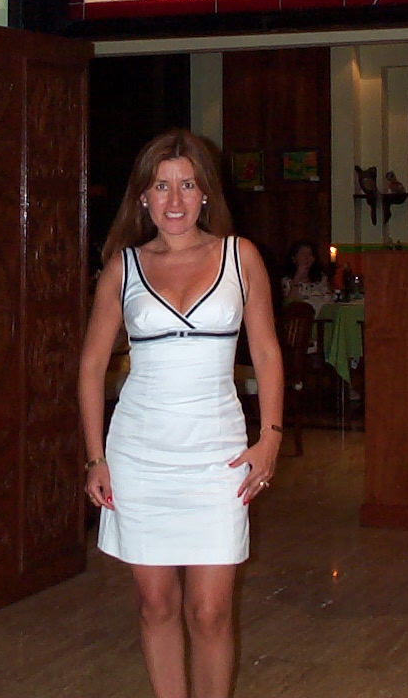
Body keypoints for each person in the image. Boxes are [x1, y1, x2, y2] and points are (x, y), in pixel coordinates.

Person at [79, 129, 285, 698]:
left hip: (217, 457)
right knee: (155, 604)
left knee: (211, 610)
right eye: (161, 186)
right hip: (140, 456)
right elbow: (91, 366)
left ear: (205, 193)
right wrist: (95, 457)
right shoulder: (122, 268)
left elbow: (267, 352)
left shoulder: (240, 257)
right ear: (143, 197)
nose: (174, 200)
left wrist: (270, 437)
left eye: (187, 185)